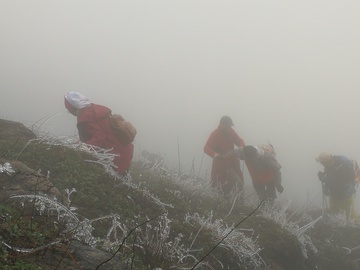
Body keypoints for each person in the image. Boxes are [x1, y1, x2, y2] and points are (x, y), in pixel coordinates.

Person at [64, 91, 134, 175]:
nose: (69, 112)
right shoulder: (96, 110)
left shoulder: (86, 118)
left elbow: (99, 137)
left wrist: (83, 148)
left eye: (68, 109)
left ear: (73, 108)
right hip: (124, 153)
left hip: (115, 160)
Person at [204, 115, 245, 196]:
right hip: (221, 165)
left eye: (230, 126)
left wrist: (241, 147)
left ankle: (236, 204)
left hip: (233, 163)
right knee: (231, 185)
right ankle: (234, 204)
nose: (229, 127)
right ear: (222, 124)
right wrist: (215, 154)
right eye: (228, 126)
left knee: (237, 184)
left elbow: (240, 140)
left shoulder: (231, 132)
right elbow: (206, 148)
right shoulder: (215, 134)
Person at [316, 152, 357, 220]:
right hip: (336, 194)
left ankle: (356, 229)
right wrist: (325, 184)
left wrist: (325, 179)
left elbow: (341, 181)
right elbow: (332, 180)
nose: (322, 164)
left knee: (352, 218)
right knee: (335, 216)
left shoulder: (341, 165)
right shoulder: (329, 167)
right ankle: (342, 229)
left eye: (322, 163)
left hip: (346, 194)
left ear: (325, 161)